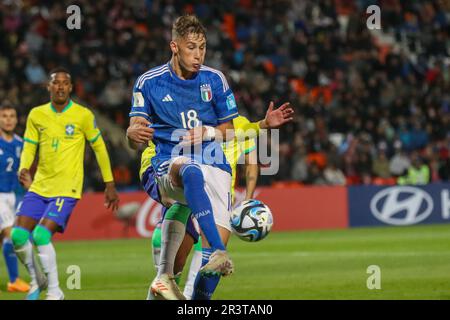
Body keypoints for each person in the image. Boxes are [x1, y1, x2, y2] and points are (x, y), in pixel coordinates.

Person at [127, 15, 292, 300]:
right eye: (191, 47)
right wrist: (132, 134)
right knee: (191, 173)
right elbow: (135, 131)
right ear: (174, 47)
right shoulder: (149, 82)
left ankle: (182, 284)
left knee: (206, 276)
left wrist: (207, 132)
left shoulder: (215, 80)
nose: (198, 54)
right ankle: (217, 251)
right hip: (170, 162)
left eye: (202, 47)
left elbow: (232, 128)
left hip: (216, 171)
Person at [11, 67, 120, 300]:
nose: (60, 86)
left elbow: (99, 148)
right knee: (18, 236)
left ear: (71, 88)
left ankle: (54, 291)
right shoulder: (36, 115)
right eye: (55, 83)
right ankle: (37, 278)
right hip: (40, 185)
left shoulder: (83, 115)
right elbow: (30, 146)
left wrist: (109, 183)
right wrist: (23, 167)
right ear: (48, 87)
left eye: (65, 83)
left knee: (40, 236)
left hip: (67, 187)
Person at [0, 102, 30, 293]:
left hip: (14, 197)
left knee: (8, 239)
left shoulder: (21, 143)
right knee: (11, 236)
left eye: (11, 116)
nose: (8, 120)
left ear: (17, 119)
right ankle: (14, 280)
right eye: (4, 116)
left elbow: (24, 172)